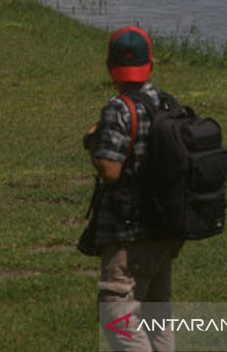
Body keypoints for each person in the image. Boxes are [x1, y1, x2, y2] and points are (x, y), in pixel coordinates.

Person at [83, 25, 183, 352]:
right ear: (150, 64)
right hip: (166, 225)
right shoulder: (167, 104)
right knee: (157, 311)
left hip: (130, 232)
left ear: (110, 67)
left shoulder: (119, 108)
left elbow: (110, 171)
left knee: (116, 309)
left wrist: (94, 145)